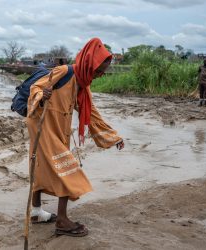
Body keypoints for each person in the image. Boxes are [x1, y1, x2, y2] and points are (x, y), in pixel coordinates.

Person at [26, 38, 124, 237]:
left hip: (60, 129)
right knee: (67, 168)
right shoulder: (65, 72)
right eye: (98, 71)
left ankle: (36, 212)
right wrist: (41, 95)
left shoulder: (83, 83)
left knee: (41, 166)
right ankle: (62, 220)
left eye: (103, 72)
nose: (100, 75)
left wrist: (114, 137)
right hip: (43, 126)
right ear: (89, 63)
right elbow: (35, 88)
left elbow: (92, 114)